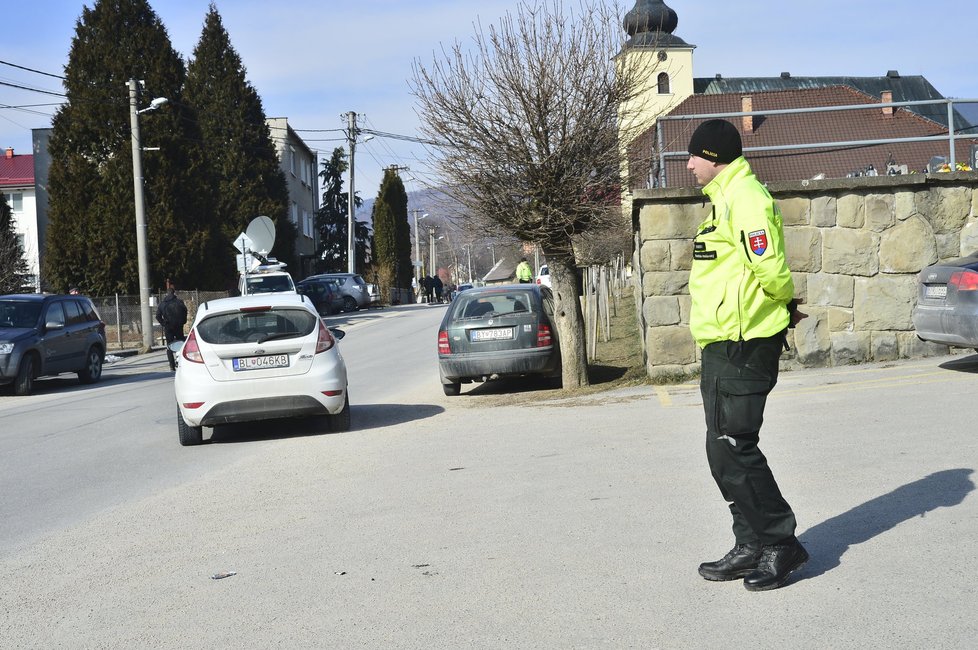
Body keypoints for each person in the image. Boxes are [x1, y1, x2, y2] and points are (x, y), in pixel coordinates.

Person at [686, 119, 808, 592]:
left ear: (714, 156)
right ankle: (752, 543)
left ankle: (780, 542)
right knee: (723, 450)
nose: (690, 164)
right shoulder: (724, 198)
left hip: (744, 341)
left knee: (734, 445)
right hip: (723, 341)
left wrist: (780, 304)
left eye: (695, 156)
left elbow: (772, 269)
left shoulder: (747, 198)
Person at [156, 281, 188, 372]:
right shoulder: (179, 302)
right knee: (181, 345)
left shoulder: (162, 304)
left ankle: (171, 366)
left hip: (168, 327)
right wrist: (183, 321)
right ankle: (181, 362)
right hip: (179, 326)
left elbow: (158, 316)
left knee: (169, 346)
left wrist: (163, 324)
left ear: (167, 293)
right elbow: (185, 311)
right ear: (174, 293)